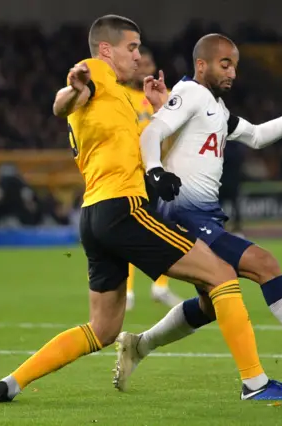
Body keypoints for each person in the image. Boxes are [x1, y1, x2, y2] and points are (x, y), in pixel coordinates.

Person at [0, 16, 282, 403]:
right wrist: (72, 88)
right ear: (107, 49)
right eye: (132, 47)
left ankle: (12, 382)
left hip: (94, 216)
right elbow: (63, 101)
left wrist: (157, 109)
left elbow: (149, 148)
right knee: (222, 274)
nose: (139, 55)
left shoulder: (121, 99)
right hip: (124, 209)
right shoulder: (97, 75)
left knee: (103, 330)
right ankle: (256, 385)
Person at [114, 34, 282, 391]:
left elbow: (257, 136)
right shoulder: (192, 94)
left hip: (202, 217)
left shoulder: (216, 107)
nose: (232, 72)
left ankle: (139, 346)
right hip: (184, 217)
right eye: (224, 64)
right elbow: (152, 132)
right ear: (201, 65)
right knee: (264, 264)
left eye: (235, 65)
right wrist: (155, 171)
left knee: (209, 303)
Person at [122, 45, 181, 311]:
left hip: (158, 169)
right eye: (140, 64)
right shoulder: (123, 96)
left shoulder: (162, 97)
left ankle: (160, 287)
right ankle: (128, 291)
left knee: (167, 225)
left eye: (149, 64)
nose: (144, 68)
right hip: (133, 170)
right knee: (130, 229)